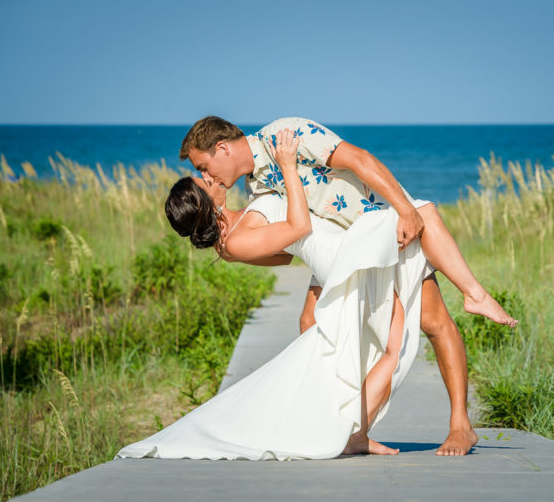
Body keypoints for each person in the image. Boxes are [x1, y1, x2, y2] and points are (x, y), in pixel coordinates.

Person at [180, 116, 518, 455]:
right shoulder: (255, 186)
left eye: (203, 166)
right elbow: (285, 251)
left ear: (222, 148)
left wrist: (404, 210)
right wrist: (225, 240)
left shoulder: (287, 136)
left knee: (433, 322)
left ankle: (460, 425)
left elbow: (360, 160)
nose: (206, 176)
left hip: (376, 229)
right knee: (311, 324)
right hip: (340, 250)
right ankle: (342, 428)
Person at [116, 129, 430, 459]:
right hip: (342, 257)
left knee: (365, 349)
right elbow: (298, 229)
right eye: (205, 183)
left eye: (205, 174)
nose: (210, 178)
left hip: (334, 256)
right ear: (205, 206)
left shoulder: (235, 228)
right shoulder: (233, 242)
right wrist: (289, 166)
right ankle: (354, 435)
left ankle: (352, 432)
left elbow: (284, 251)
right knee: (394, 346)